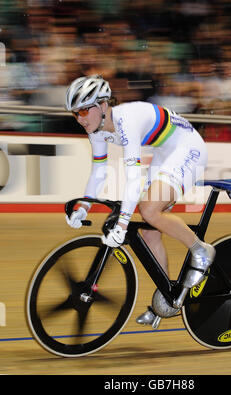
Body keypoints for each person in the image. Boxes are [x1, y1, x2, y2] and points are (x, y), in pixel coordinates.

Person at [65, 75, 215, 327]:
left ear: (102, 106)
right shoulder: (97, 130)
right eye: (74, 114)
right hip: (165, 151)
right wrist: (84, 207)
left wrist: (123, 224)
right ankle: (170, 297)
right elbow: (99, 172)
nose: (79, 119)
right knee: (149, 232)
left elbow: (133, 179)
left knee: (149, 210)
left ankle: (200, 249)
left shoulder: (127, 120)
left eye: (82, 111)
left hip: (188, 148)